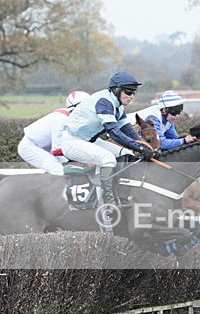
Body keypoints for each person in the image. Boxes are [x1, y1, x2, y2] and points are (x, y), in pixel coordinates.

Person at [58, 71, 154, 230]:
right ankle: (109, 203)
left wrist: (144, 145)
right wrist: (139, 147)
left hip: (90, 140)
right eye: (128, 92)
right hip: (72, 141)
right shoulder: (104, 102)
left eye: (133, 92)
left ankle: (123, 197)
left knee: (127, 154)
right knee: (108, 158)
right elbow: (115, 133)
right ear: (117, 90)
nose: (131, 96)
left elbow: (127, 130)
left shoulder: (118, 106)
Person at [17, 90, 90, 175]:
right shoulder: (62, 119)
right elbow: (57, 150)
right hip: (30, 147)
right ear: (75, 108)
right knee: (58, 169)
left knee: (72, 168)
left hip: (46, 148)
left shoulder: (71, 118)